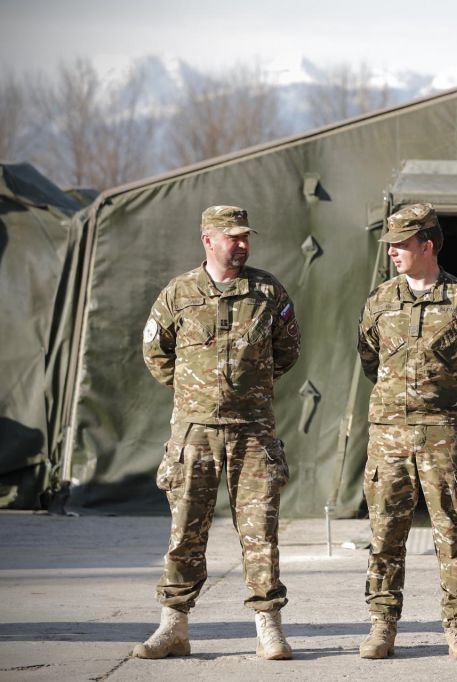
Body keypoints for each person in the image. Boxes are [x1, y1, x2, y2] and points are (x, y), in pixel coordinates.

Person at [134, 205, 300, 661]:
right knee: (185, 529)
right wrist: (197, 392)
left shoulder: (267, 292)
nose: (242, 244)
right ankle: (174, 626)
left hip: (253, 433)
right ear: (208, 240)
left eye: (246, 236)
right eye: (233, 237)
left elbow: (288, 351)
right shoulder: (179, 293)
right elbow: (156, 352)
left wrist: (247, 391)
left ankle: (269, 626)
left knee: (260, 531)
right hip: (195, 434)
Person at [356, 203, 457, 660]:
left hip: (444, 436)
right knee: (385, 535)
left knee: (451, 533)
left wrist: (450, 403)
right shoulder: (380, 301)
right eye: (391, 246)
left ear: (428, 245)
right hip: (389, 437)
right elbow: (368, 359)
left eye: (401, 245)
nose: (394, 253)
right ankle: (382, 627)